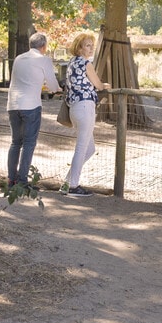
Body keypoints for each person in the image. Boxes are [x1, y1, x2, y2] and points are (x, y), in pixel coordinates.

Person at [7, 32, 62, 190]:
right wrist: (57, 89)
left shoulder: (18, 58)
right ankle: (23, 181)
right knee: (29, 143)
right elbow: (52, 85)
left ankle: (11, 179)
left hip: (13, 105)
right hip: (30, 105)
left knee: (15, 142)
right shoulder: (43, 59)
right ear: (44, 46)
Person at [62, 31, 110, 198]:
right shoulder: (85, 63)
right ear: (80, 48)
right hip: (85, 107)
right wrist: (104, 85)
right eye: (88, 45)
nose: (91, 49)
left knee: (89, 149)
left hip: (75, 108)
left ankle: (68, 181)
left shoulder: (71, 63)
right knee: (82, 148)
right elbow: (97, 83)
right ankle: (73, 186)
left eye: (92, 45)